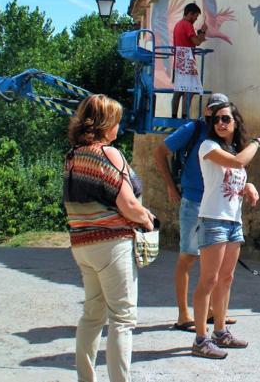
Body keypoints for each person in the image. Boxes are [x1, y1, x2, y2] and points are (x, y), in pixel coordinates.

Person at [63, 95, 156, 382]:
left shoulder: (73, 155)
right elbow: (127, 204)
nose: (119, 126)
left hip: (82, 243)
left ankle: (86, 378)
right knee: (123, 319)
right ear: (105, 124)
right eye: (116, 120)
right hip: (111, 243)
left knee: (92, 315)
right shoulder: (108, 154)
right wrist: (146, 218)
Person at [191, 100, 260, 359]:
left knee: (226, 279)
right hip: (213, 220)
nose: (220, 123)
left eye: (226, 118)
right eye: (216, 119)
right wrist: (257, 142)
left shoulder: (231, 150)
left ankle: (220, 332)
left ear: (235, 122)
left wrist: (247, 186)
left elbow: (230, 179)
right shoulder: (208, 146)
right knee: (208, 280)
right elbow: (238, 163)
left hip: (233, 222)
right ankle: (200, 339)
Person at [153, 92, 236, 331]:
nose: (218, 116)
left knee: (215, 265)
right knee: (188, 257)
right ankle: (183, 315)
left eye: (223, 111)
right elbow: (160, 152)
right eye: (214, 110)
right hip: (194, 202)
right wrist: (170, 186)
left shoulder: (226, 134)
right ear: (207, 111)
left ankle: (212, 312)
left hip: (217, 207)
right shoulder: (193, 129)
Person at [172, 2, 208, 119]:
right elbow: (196, 42)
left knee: (178, 92)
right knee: (190, 91)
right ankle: (184, 116)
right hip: (187, 63)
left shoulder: (178, 25)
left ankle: (174, 117)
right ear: (190, 14)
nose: (196, 19)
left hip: (178, 62)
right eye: (196, 16)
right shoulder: (187, 25)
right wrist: (202, 32)